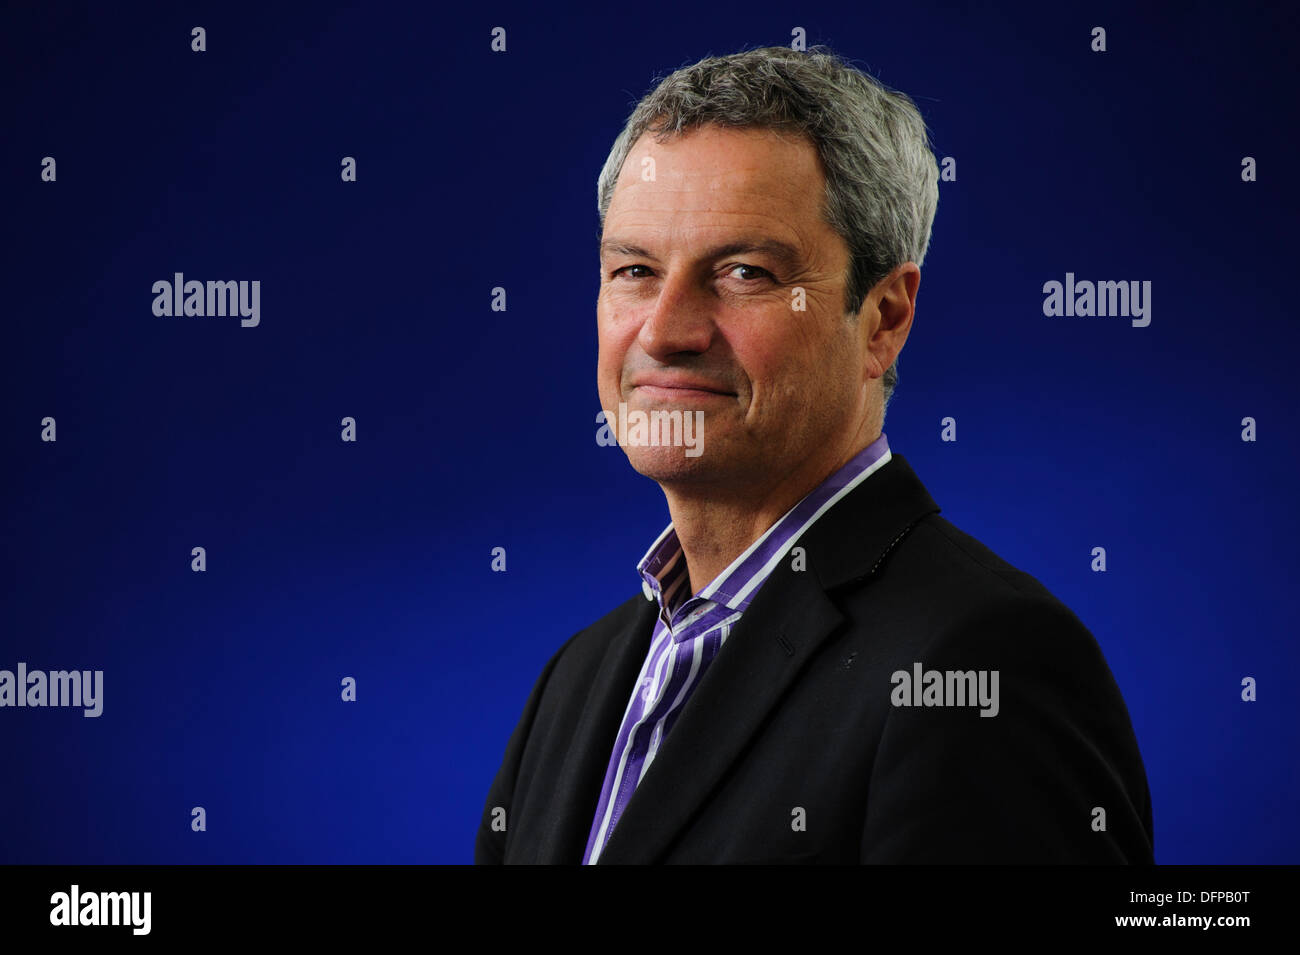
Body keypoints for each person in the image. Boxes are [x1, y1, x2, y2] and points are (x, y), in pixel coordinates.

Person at [475, 45, 1154, 864]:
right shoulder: (575, 682)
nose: (662, 330)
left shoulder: (986, 667)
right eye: (633, 270)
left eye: (743, 272)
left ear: (883, 318)